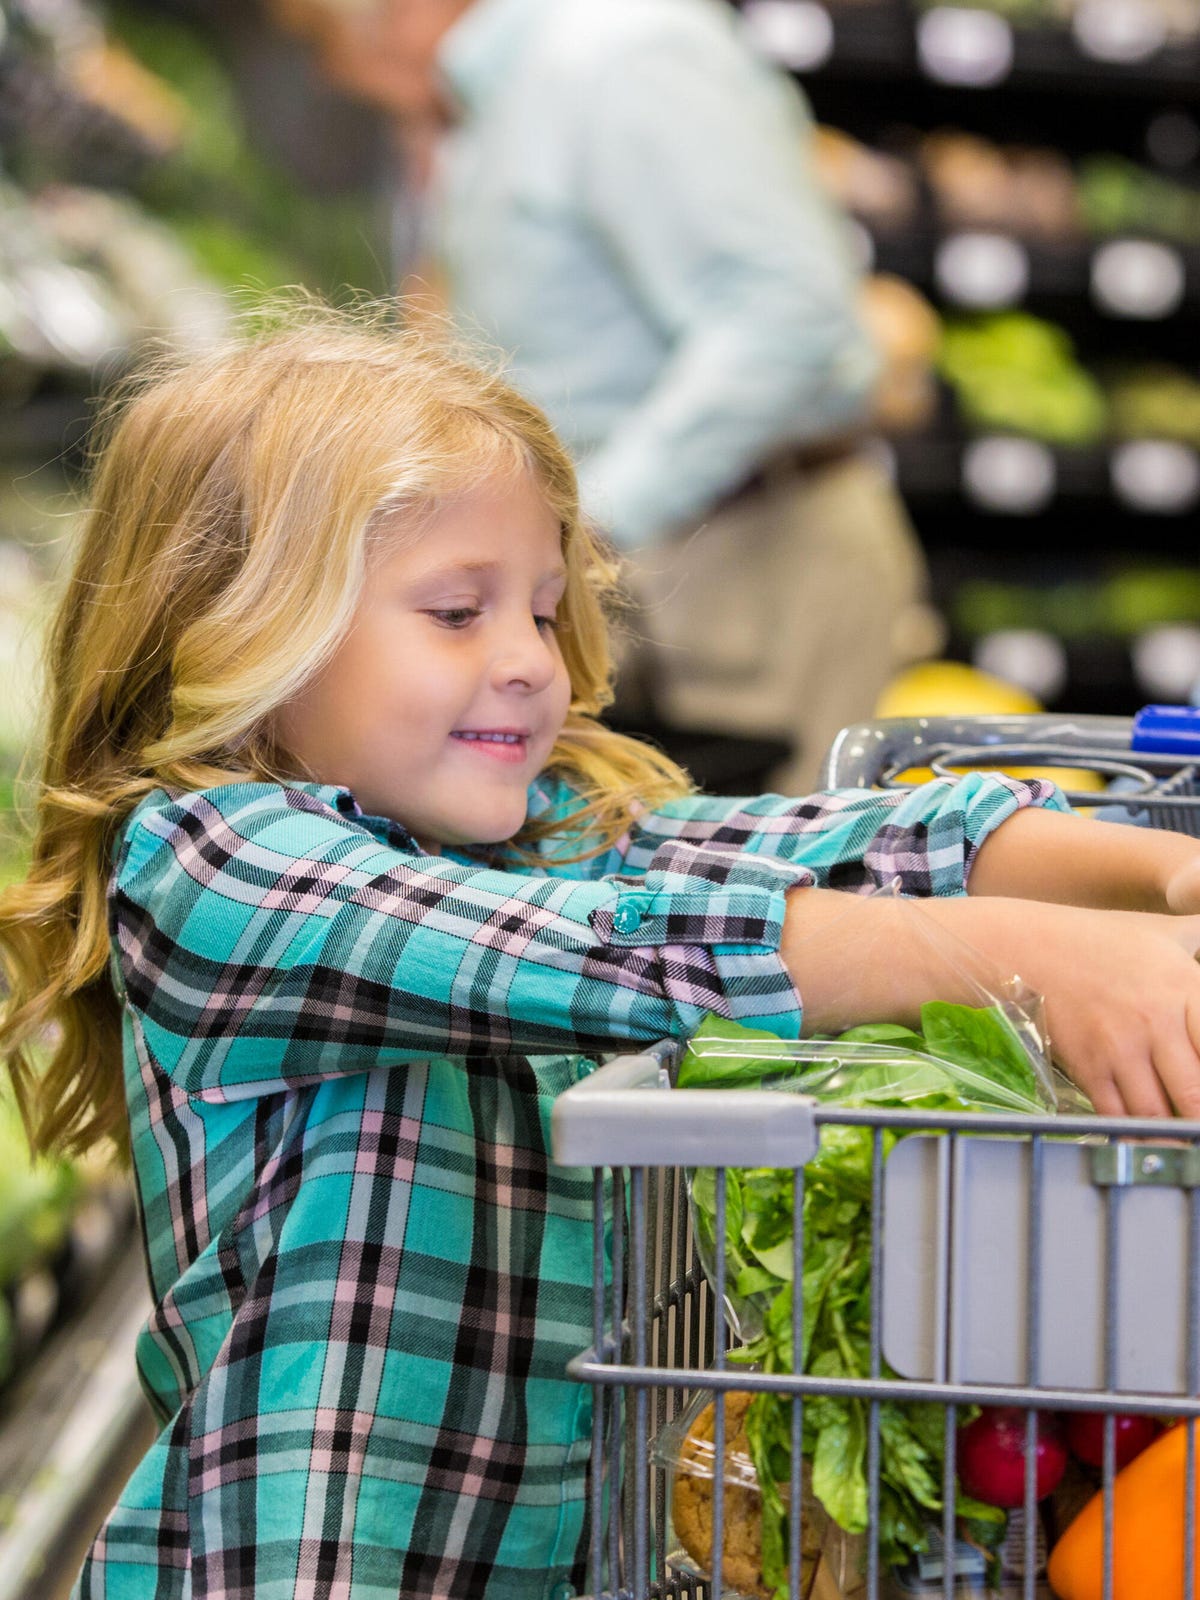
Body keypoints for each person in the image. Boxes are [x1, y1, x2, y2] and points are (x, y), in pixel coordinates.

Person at [4, 308, 1200, 1600]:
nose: (529, 662)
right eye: (458, 611)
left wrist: (1155, 870)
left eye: (543, 610)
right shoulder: (215, 865)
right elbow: (620, 955)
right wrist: (1038, 963)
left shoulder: (540, 834)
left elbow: (835, 845)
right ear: (240, 630)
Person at [265, 0, 940, 793]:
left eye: (322, 37)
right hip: (632, 570)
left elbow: (786, 315)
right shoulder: (493, 97)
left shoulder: (621, 52)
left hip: (745, 561)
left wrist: (575, 528)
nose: (331, 73)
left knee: (757, 890)